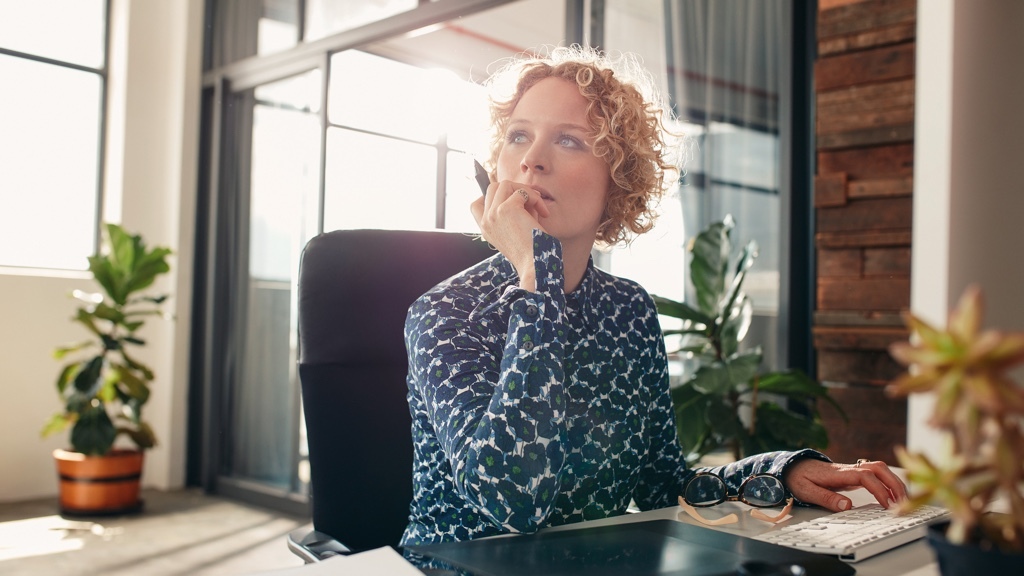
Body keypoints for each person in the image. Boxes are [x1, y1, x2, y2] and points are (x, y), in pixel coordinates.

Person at [400, 46, 906, 547]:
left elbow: (662, 483)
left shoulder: (629, 310)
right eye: (518, 136)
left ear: (618, 180)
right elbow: (512, 499)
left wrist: (782, 470)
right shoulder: (447, 313)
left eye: (570, 141)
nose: (532, 160)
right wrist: (536, 277)